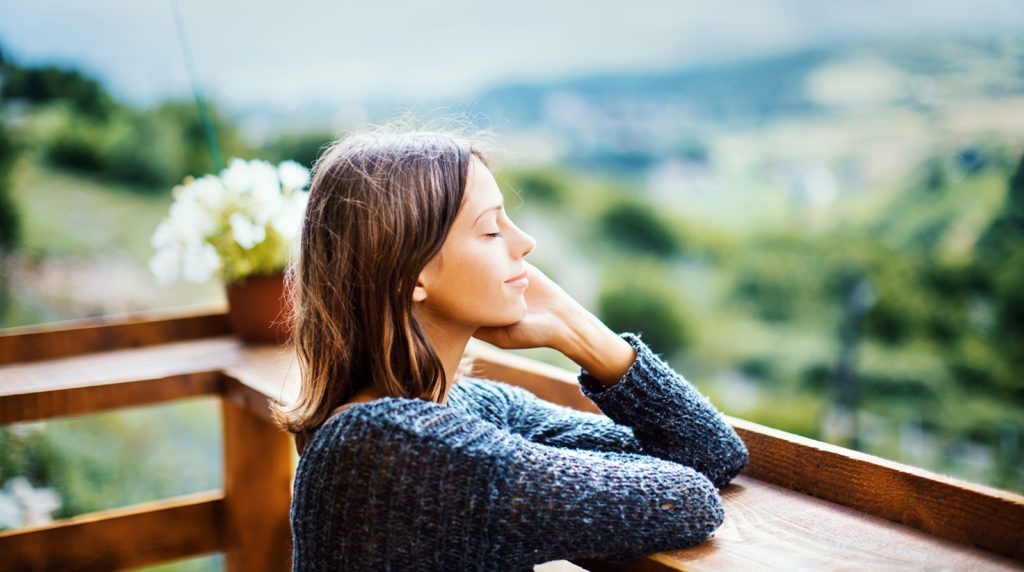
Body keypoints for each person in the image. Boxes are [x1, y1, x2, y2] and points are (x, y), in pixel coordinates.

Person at [272, 126, 748, 571]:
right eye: (491, 229)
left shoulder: (471, 408)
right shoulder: (385, 446)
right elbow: (686, 499)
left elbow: (710, 454)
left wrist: (577, 330)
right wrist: (573, 323)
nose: (525, 242)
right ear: (409, 275)